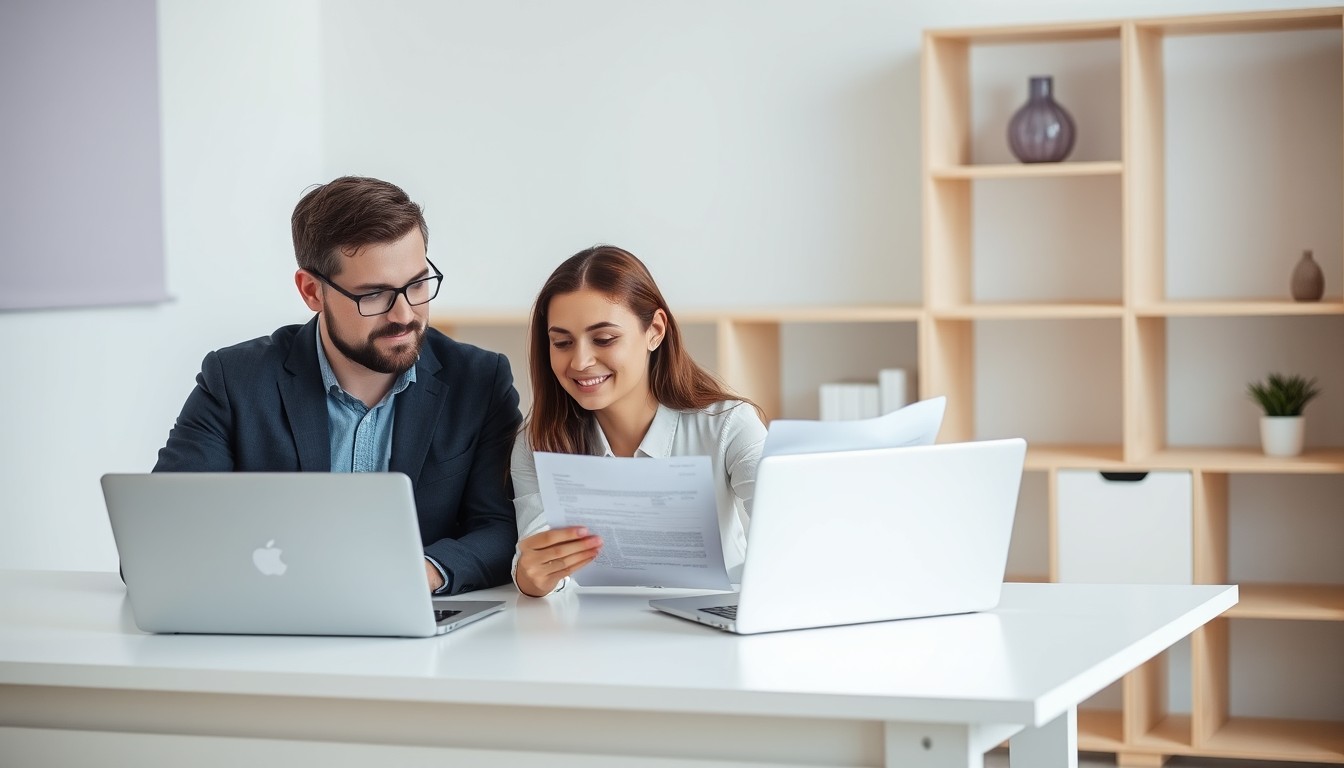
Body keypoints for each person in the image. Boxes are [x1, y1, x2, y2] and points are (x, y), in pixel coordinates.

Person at [154, 176, 522, 595]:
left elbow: (500, 528)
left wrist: (425, 572)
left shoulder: (479, 380)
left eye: (418, 284)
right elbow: (162, 536)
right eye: (375, 294)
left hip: (419, 631)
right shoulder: (235, 380)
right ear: (312, 291)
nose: (404, 314)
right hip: (271, 623)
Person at [510, 245, 767, 597]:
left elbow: (787, 538)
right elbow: (539, 564)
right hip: (594, 636)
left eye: (604, 339)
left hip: (713, 629)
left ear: (655, 331)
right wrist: (531, 578)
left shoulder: (729, 426)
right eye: (562, 342)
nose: (581, 361)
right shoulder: (537, 442)